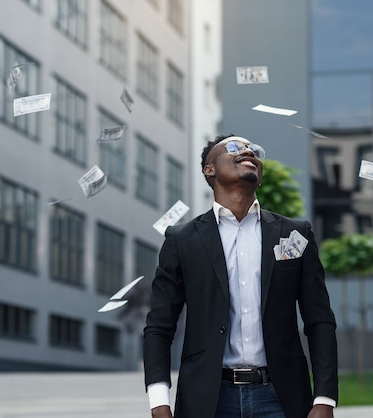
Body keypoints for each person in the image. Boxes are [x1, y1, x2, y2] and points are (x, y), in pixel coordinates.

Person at [143, 134, 338, 418]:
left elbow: (319, 320)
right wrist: (158, 401)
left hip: (281, 398)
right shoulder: (181, 240)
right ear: (209, 169)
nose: (248, 151)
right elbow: (159, 326)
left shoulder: (295, 233)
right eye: (234, 147)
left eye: (253, 150)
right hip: (209, 400)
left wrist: (325, 398)